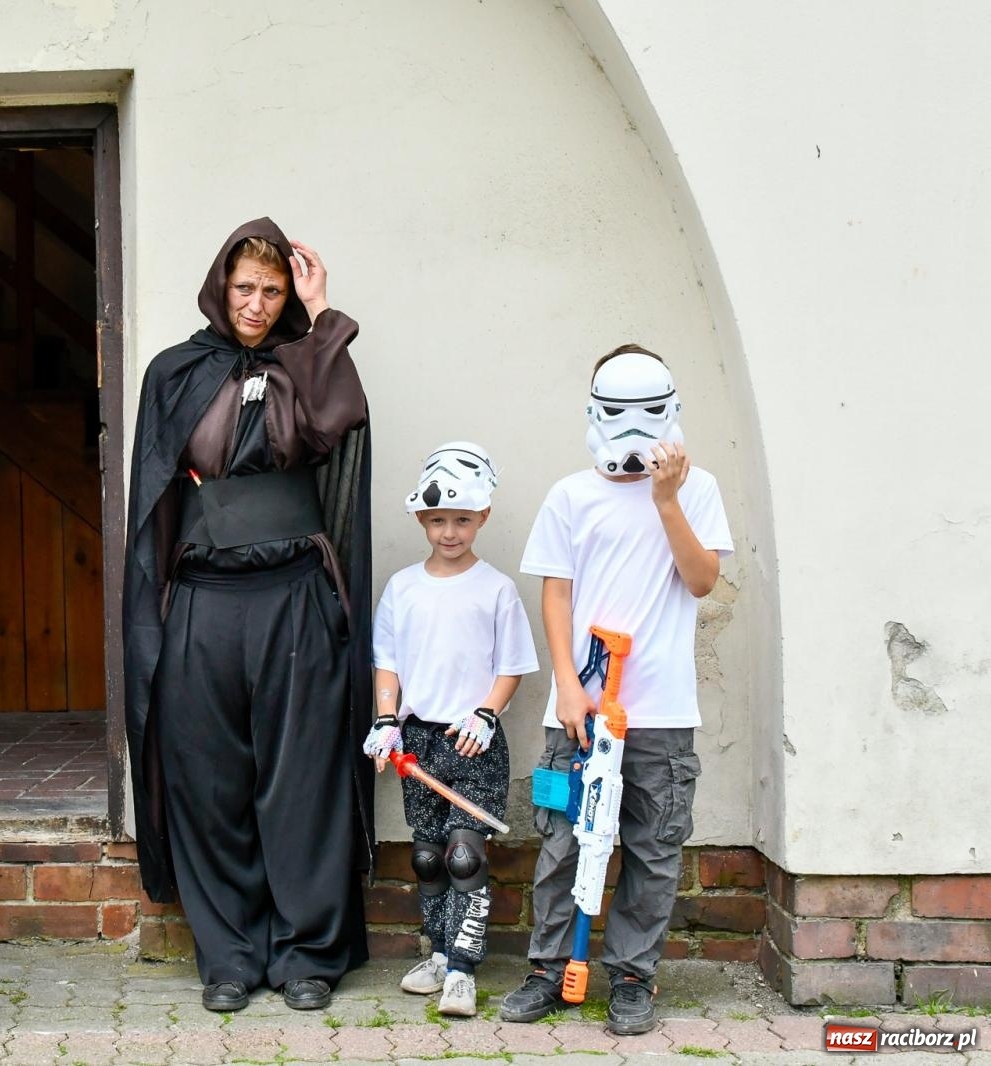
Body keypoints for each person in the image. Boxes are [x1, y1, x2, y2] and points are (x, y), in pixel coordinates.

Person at [122, 218, 375, 1014]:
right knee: (209, 778)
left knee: (301, 778)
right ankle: (229, 952)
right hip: (203, 601)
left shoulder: (309, 366)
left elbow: (337, 425)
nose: (258, 303)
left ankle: (308, 953)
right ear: (219, 287)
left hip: (295, 596)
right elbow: (155, 497)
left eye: (272, 289)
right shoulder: (175, 371)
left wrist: (321, 313)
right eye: (245, 288)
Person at [499, 346, 732, 1036]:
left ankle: (633, 977)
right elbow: (556, 594)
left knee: (653, 849)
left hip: (660, 711)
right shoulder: (571, 495)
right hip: (580, 711)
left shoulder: (700, 490)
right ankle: (546, 970)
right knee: (565, 842)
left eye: (648, 414)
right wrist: (568, 686)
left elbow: (701, 581)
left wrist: (665, 499)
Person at [362, 442, 538, 1017]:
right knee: (430, 857)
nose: (449, 531)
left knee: (466, 855)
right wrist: (387, 718)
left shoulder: (496, 589)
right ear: (421, 518)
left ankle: (464, 969)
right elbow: (385, 659)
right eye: (437, 520)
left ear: (483, 517)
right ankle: (437, 953)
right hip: (420, 742)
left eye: (462, 519)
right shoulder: (403, 587)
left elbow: (511, 665)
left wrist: (486, 713)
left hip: (473, 740)